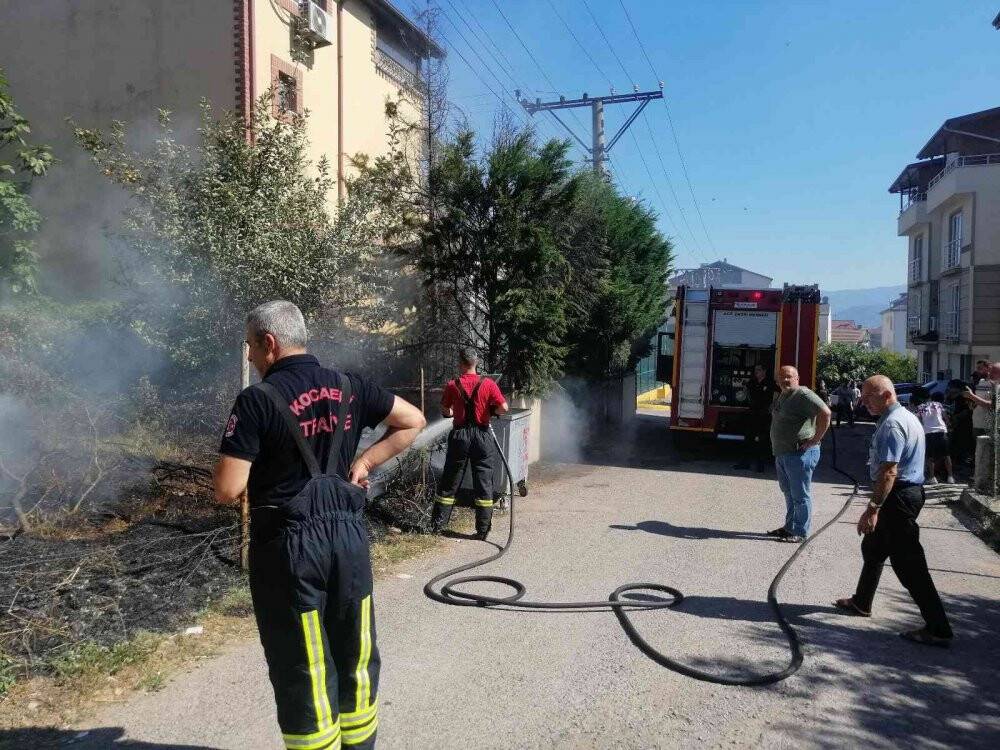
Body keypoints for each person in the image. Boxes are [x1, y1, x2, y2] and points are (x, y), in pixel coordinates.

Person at [213, 301, 426, 750]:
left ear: (269, 343)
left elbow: (228, 489)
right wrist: (364, 462)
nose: (249, 355)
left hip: (289, 551)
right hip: (349, 539)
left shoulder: (256, 400)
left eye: (251, 346)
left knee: (303, 665)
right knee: (355, 653)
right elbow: (413, 421)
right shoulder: (350, 385)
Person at [834, 376, 953, 647]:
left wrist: (872, 508)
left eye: (869, 398)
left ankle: (938, 628)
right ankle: (862, 602)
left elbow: (889, 472)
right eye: (863, 397)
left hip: (898, 497)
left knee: (909, 565)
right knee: (873, 548)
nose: (863, 403)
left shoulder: (892, 425)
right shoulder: (904, 416)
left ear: (887, 395)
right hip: (905, 493)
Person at [431, 348, 509, 540]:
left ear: (461, 363)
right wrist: (490, 411)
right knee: (483, 481)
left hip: (460, 437)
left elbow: (445, 409)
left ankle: (438, 525)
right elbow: (503, 408)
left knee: (450, 480)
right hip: (482, 436)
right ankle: (482, 530)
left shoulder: (453, 385)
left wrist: (452, 413)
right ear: (476, 362)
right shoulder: (488, 384)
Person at [765, 366, 832, 543]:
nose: (785, 380)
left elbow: (826, 413)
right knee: (789, 493)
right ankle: (789, 527)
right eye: (781, 377)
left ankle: (800, 532)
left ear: (797, 378)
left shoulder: (803, 394)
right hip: (783, 453)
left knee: (800, 495)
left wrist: (815, 440)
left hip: (799, 454)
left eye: (789, 377)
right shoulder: (784, 394)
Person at [736, 364, 779, 472]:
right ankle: (745, 463)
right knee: (748, 439)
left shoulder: (769, 383)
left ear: (764, 371)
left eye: (759, 370)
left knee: (762, 440)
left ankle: (760, 466)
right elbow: (745, 391)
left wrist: (773, 404)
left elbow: (779, 392)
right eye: (755, 370)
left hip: (764, 414)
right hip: (752, 413)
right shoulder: (752, 382)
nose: (756, 372)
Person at [910, 388, 954, 484]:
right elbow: (945, 417)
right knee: (946, 455)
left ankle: (932, 478)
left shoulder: (920, 407)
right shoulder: (938, 404)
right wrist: (949, 424)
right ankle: (950, 477)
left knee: (930, 456)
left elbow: (919, 421)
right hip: (942, 431)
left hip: (929, 433)